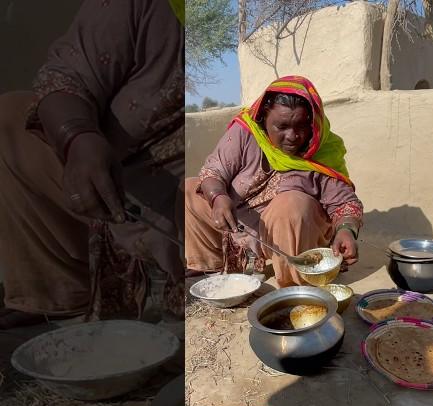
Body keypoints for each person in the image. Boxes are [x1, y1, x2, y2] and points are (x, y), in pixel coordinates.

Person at [0, 0, 185, 328]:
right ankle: (61, 294)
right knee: (8, 117)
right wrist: (77, 137)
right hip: (112, 176)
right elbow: (66, 76)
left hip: (181, 213)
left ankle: (164, 291)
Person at [185, 76, 363, 287]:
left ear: (313, 123)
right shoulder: (246, 133)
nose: (293, 136)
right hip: (239, 226)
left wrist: (346, 230)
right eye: (282, 126)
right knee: (189, 188)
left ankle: (294, 284)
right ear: (263, 119)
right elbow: (213, 171)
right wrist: (218, 197)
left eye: (302, 126)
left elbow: (345, 204)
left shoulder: (322, 150)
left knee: (290, 205)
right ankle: (215, 266)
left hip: (291, 233)